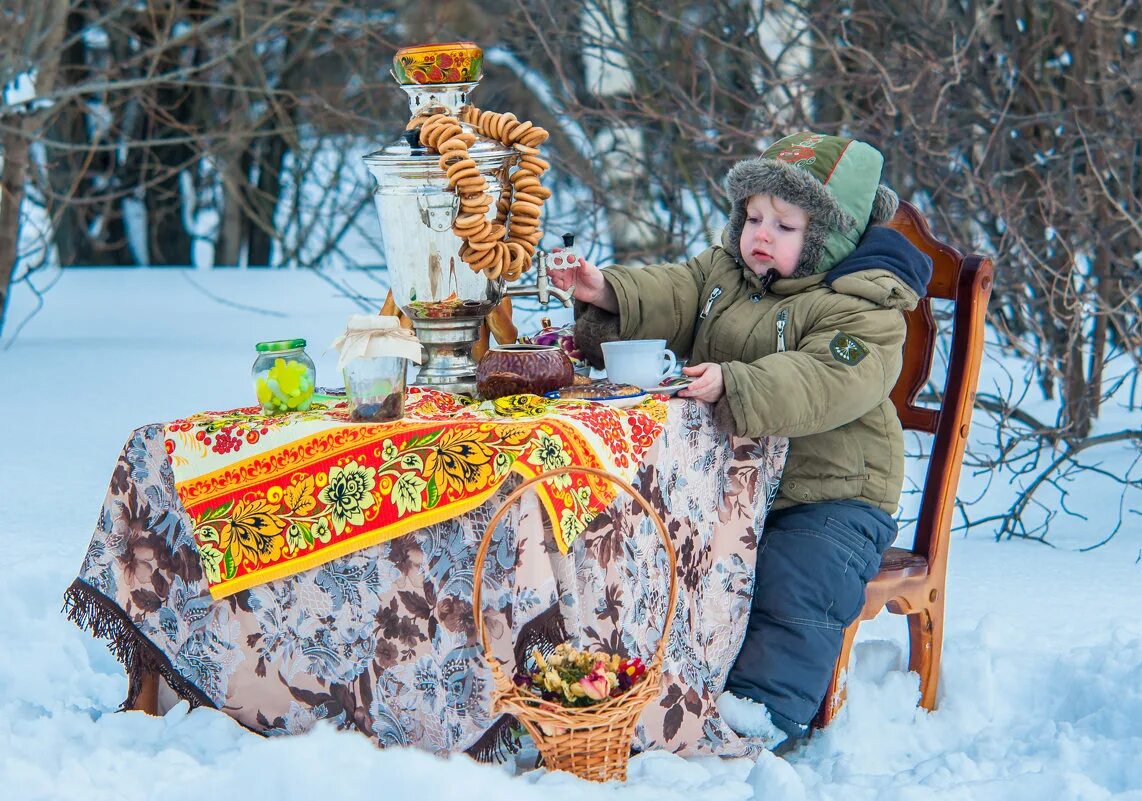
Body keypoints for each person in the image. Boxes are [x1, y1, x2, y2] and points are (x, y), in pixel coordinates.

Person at [548, 131, 933, 750]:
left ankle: (762, 712)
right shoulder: (726, 270)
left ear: (828, 237)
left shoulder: (863, 302)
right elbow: (676, 290)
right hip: (721, 480)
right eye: (753, 216)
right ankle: (657, 688)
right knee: (648, 546)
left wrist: (737, 381)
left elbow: (831, 377)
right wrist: (607, 290)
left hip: (827, 491)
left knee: (796, 578)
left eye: (784, 224)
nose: (760, 233)